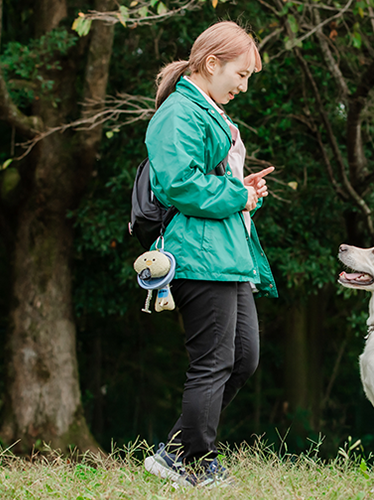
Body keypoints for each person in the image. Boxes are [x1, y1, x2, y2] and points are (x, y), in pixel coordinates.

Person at [141, 21, 278, 487]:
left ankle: (174, 453)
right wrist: (236, 196)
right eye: (240, 75)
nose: (243, 86)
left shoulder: (207, 111)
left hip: (228, 254)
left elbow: (209, 182)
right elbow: (180, 185)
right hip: (198, 256)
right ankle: (194, 461)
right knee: (213, 362)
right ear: (211, 63)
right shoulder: (178, 111)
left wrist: (243, 193)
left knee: (244, 358)